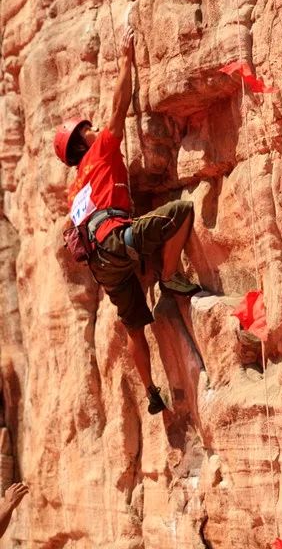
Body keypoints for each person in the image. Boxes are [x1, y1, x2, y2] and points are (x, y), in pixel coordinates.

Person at [54, 25, 200, 414]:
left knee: (135, 326)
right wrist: (125, 59)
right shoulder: (100, 151)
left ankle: (152, 391)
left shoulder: (75, 190)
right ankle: (169, 275)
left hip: (104, 268)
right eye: (89, 130)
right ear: (83, 141)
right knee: (181, 212)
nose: (96, 129)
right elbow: (119, 109)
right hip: (119, 241)